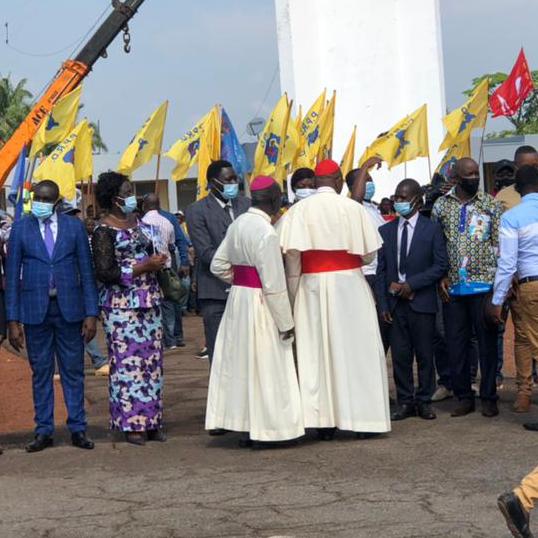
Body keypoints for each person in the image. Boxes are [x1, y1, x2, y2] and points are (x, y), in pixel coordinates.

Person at [279, 159, 391, 440]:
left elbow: (291, 258)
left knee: (316, 354)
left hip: (311, 286)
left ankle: (323, 421)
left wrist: (293, 298)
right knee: (357, 351)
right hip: (350, 285)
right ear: (340, 181)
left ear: (315, 183)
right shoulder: (353, 209)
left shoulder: (297, 210)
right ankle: (365, 420)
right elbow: (368, 254)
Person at [206, 176, 304, 446]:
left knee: (243, 365)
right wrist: (286, 322)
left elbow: (217, 265)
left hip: (239, 300)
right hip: (261, 303)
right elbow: (273, 284)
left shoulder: (237, 224)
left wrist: (241, 281)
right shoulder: (266, 233)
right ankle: (270, 430)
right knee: (267, 366)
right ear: (274, 201)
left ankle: (246, 427)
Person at [6, 180, 98, 452]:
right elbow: (12, 277)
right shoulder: (21, 228)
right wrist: (13, 320)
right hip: (35, 312)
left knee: (73, 371)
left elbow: (87, 271)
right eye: (37, 199)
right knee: (41, 372)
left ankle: (78, 428)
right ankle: (43, 430)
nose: (41, 204)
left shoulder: (74, 227)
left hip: (69, 309)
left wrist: (91, 313)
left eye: (46, 200)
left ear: (57, 203)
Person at [92, 172, 167, 446]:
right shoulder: (104, 231)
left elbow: (157, 250)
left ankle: (153, 421)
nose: (132, 194)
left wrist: (159, 260)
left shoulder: (143, 224)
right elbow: (105, 271)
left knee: (152, 364)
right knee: (127, 367)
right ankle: (131, 423)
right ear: (114, 198)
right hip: (121, 307)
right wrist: (141, 267)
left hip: (150, 300)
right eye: (127, 190)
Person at [432, 158, 502, 418]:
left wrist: (498, 287)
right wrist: (441, 276)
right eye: (469, 174)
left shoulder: (490, 205)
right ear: (457, 177)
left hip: (484, 285)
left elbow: (499, 246)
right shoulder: (441, 206)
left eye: (476, 174)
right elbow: (436, 246)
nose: (475, 178)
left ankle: (488, 397)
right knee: (456, 344)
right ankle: (463, 396)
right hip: (453, 288)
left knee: (487, 344)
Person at [376, 179, 448, 420]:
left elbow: (440, 265)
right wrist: (385, 300)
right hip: (396, 305)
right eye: (396, 197)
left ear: (417, 199)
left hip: (422, 300)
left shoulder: (432, 229)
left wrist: (411, 285)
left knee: (425, 355)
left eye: (404, 198)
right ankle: (405, 401)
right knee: (400, 356)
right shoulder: (386, 231)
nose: (399, 202)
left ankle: (424, 400)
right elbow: (382, 271)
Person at [185, 160, 250, 366]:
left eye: (235, 178)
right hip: (215, 292)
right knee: (221, 354)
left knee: (247, 352)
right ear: (213, 183)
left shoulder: (246, 204)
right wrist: (237, 264)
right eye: (228, 180)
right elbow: (205, 252)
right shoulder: (197, 210)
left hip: (248, 290)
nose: (233, 183)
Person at [489, 165, 538, 416]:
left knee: (528, 340)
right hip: (527, 284)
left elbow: (507, 263)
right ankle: (524, 392)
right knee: (523, 338)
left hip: (528, 287)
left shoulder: (512, 217)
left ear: (517, 189)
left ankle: (526, 392)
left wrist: (497, 300)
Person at [347, 157, 391, 352]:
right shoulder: (352, 207)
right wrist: (365, 166)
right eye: (366, 179)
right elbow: (355, 199)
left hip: (380, 273)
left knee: (385, 325)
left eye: (370, 179)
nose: (370, 183)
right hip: (365, 274)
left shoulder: (374, 207)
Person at [141, 193, 185, 351]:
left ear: (144, 206)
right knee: (170, 303)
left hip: (147, 269)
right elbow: (172, 244)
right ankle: (173, 338)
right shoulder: (167, 222)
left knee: (151, 303)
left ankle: (159, 338)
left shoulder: (141, 223)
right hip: (166, 267)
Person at [496, 145, 538, 212]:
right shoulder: (503, 196)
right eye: (526, 167)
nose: (531, 170)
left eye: (535, 166)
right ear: (515, 166)